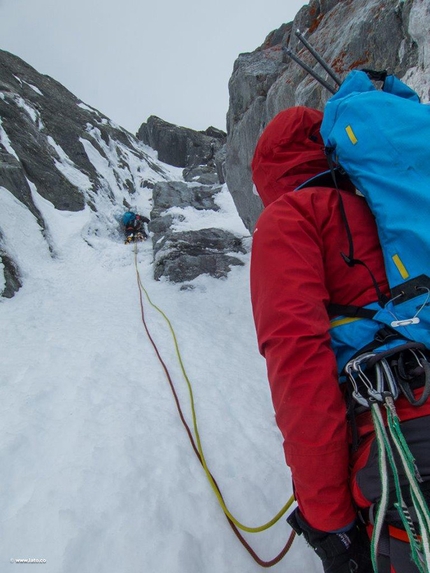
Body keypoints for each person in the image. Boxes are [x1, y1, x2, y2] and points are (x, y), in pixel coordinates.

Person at [250, 106, 430, 572]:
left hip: (403, 453)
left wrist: (328, 515)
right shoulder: (401, 208)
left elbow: (299, 362)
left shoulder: (291, 216)